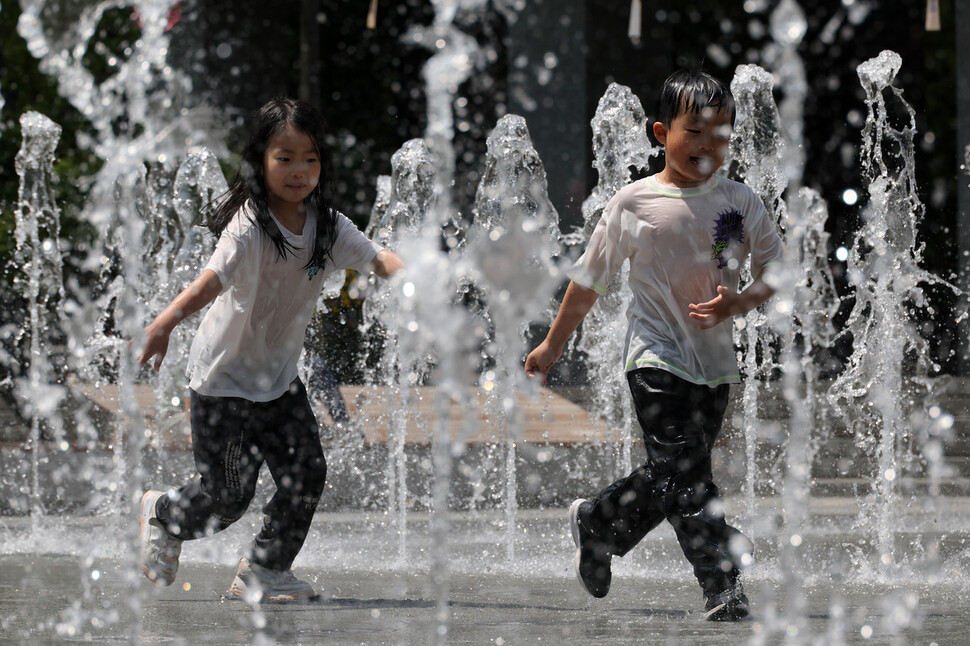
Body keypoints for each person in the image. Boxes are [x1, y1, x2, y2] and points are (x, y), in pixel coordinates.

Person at [524, 69, 783, 621]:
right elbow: (588, 281)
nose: (708, 144)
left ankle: (597, 523)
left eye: (721, 132)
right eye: (695, 130)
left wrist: (738, 304)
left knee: (675, 474)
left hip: (714, 368)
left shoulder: (741, 202)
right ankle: (723, 585)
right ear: (661, 133)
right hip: (655, 359)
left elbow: (779, 272)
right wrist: (551, 345)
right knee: (686, 474)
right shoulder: (633, 203)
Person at [136, 97, 403, 603]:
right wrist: (164, 322)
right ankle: (161, 513)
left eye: (310, 158)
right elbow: (211, 281)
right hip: (224, 384)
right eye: (285, 157)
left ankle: (264, 569)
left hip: (280, 382)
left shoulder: (328, 225)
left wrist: (421, 282)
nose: (299, 170)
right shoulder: (250, 225)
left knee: (307, 474)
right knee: (227, 498)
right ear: (261, 160)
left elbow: (377, 257)